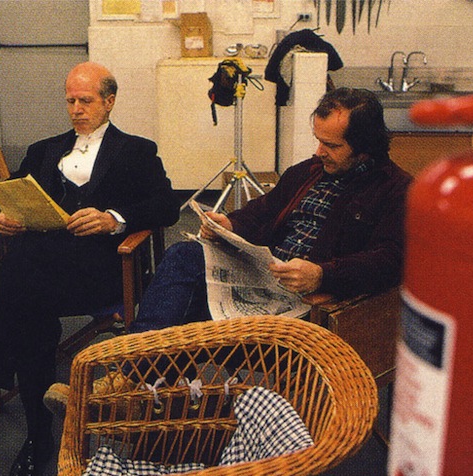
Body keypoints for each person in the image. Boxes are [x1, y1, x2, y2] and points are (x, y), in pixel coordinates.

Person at [0, 62, 180, 476]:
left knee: (18, 285)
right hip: (40, 270)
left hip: (97, 269)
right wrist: (0, 215)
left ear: (109, 102)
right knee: (29, 305)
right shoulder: (44, 150)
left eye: (86, 101)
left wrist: (113, 218)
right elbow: (2, 195)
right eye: (70, 100)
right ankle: (35, 434)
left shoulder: (137, 151)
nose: (76, 109)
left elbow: (166, 206)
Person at [45, 87, 412, 409]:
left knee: (177, 311)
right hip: (269, 280)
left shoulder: (396, 190)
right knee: (184, 257)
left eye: (331, 145)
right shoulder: (309, 171)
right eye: (318, 140)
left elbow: (391, 260)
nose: (320, 152)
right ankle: (139, 389)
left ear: (365, 147)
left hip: (316, 307)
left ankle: (133, 390)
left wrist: (322, 274)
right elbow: (263, 211)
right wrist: (231, 224)